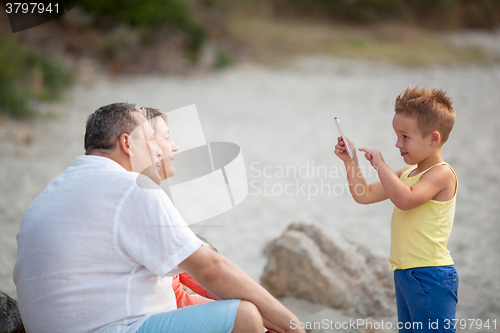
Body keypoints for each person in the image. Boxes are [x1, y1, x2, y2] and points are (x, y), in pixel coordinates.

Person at [14, 103, 304, 333]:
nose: (159, 149)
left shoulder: (46, 196)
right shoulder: (129, 186)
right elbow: (211, 269)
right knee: (245, 316)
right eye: (152, 139)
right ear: (127, 144)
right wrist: (293, 325)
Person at [334, 87, 459, 333]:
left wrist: (380, 164)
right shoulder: (405, 174)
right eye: (397, 136)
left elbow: (406, 199)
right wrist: (352, 163)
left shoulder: (442, 174)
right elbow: (364, 194)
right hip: (405, 273)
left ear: (434, 138)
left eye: (405, 137)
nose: (397, 144)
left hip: (431, 274)